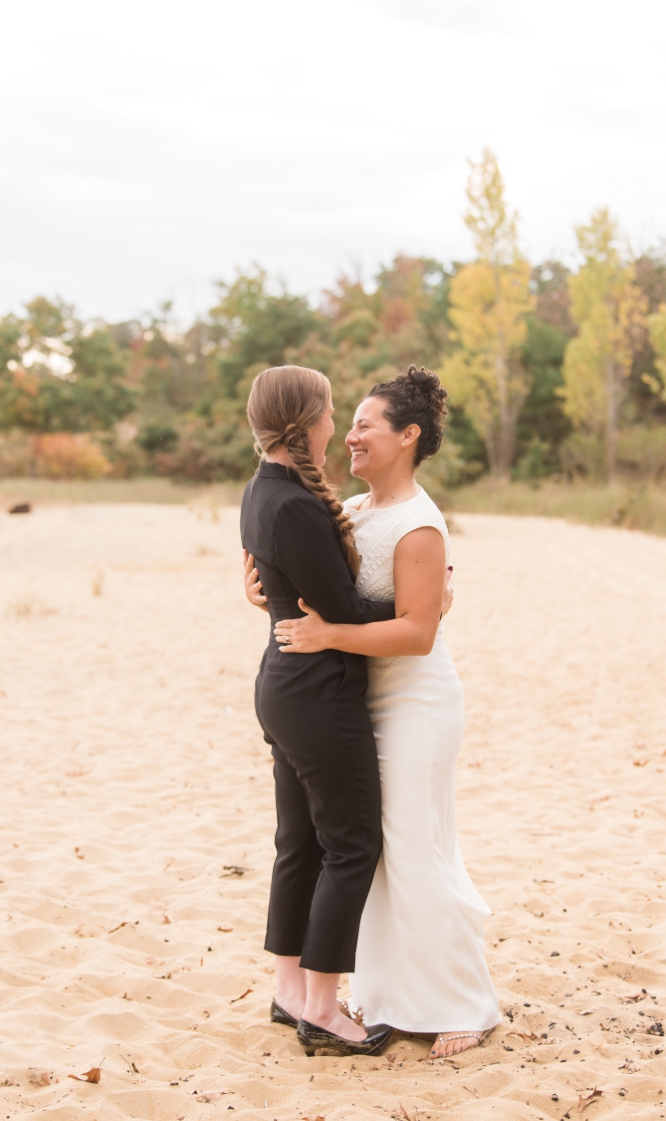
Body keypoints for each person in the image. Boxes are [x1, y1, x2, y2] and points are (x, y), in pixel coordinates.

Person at [264, 366, 499, 1059]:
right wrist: (264, 594)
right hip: (361, 701)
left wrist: (331, 636)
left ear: (409, 436)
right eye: (351, 420)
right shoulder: (355, 510)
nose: (353, 434)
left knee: (415, 847)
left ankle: (465, 1002)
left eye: (367, 423)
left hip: (417, 703)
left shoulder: (419, 524)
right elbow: (317, 596)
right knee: (381, 854)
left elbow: (417, 632)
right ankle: (395, 994)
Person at [238, 365, 398, 1057]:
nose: (337, 423)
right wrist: (423, 606)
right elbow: (341, 608)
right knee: (352, 843)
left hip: (284, 683)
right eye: (332, 410)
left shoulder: (261, 490)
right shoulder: (297, 504)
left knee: (299, 842)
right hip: (315, 692)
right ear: (308, 422)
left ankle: (288, 988)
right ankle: (321, 1005)